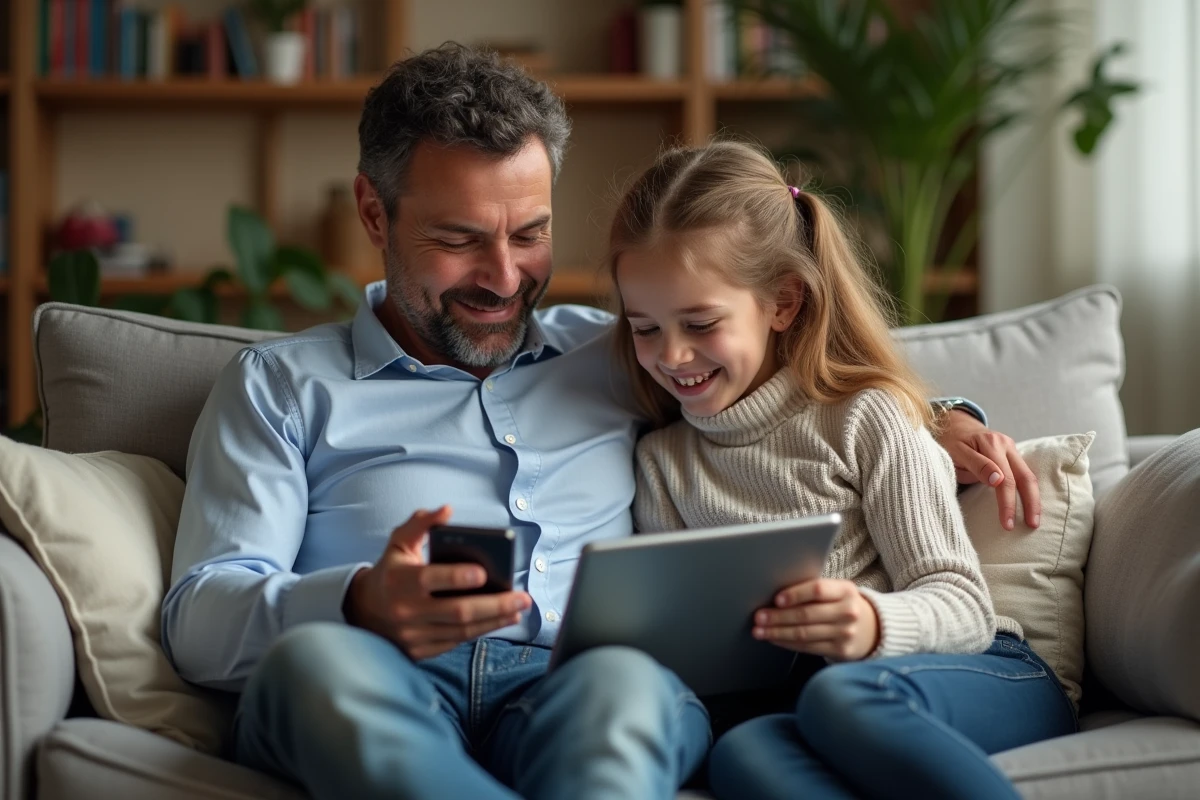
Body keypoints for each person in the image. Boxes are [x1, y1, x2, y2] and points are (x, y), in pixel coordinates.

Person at [161, 45, 1044, 800]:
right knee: (316, 666)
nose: (503, 277)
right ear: (372, 212)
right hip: (375, 673)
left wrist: (940, 419)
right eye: (459, 239)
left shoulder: (621, 350)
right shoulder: (280, 388)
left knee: (626, 685)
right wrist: (358, 601)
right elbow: (200, 617)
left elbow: (787, 375)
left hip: (577, 684)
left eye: (529, 234)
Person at [608, 140, 1077, 800]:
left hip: (974, 673)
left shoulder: (866, 417)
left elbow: (965, 605)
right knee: (741, 752)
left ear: (783, 302)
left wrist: (874, 622)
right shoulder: (662, 465)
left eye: (701, 322)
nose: (672, 355)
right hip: (809, 704)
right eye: (645, 328)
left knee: (842, 696)